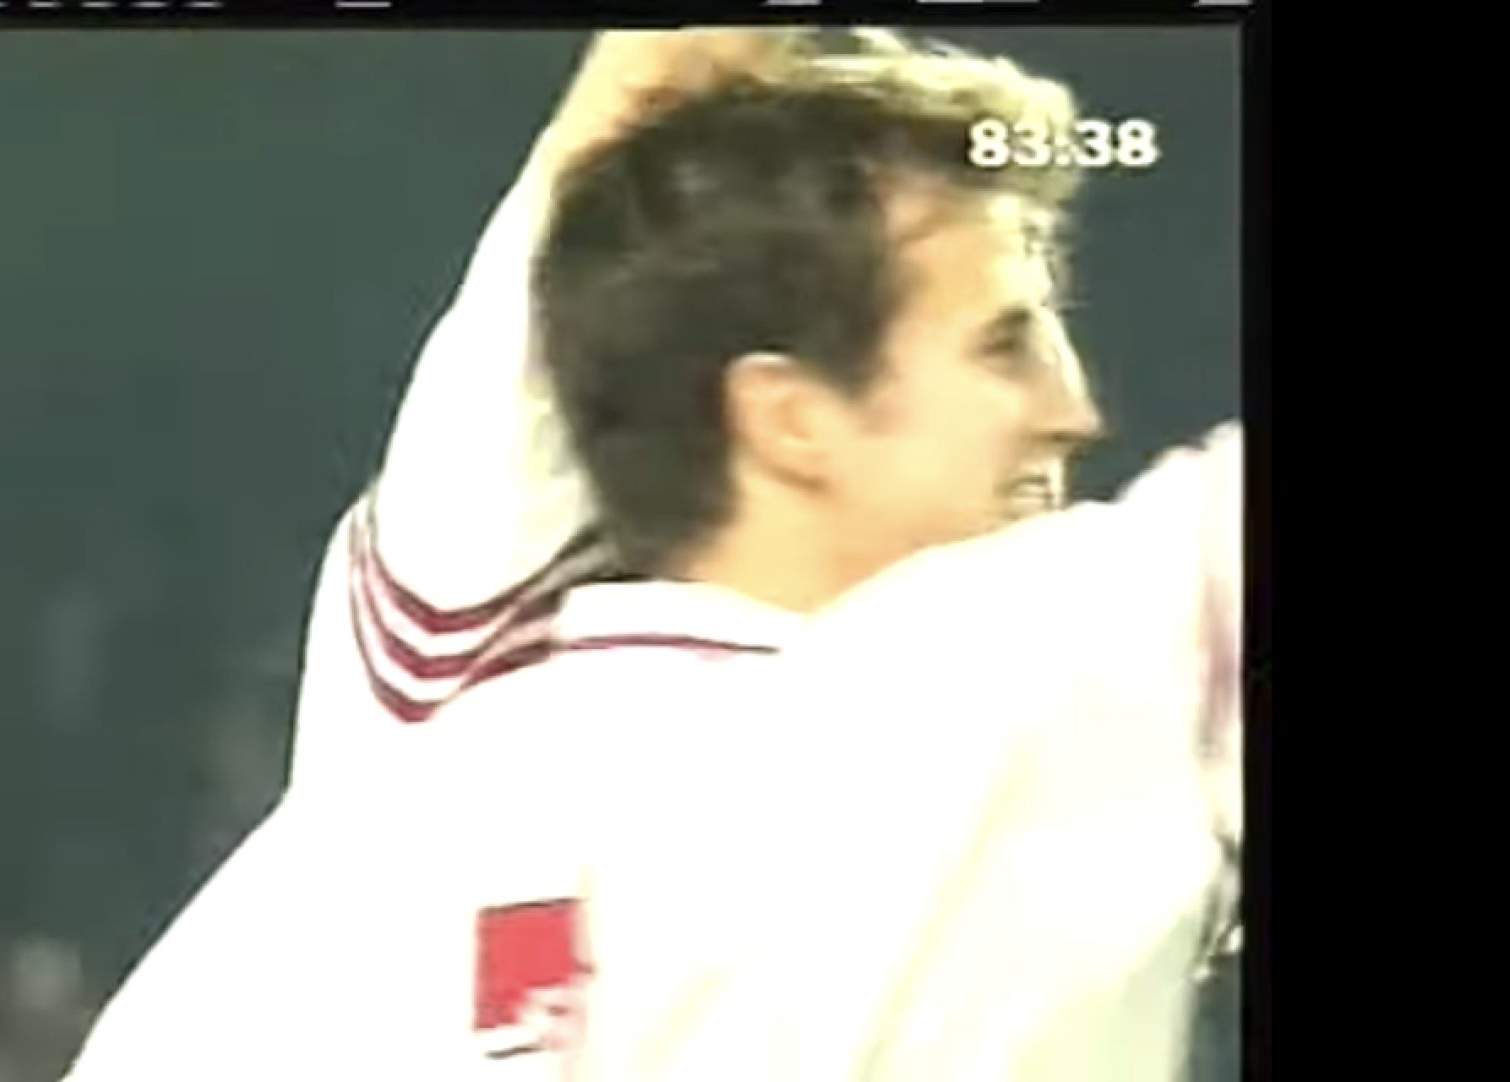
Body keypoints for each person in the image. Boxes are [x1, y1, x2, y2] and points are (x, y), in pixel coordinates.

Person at [63, 28, 1242, 1082]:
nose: (1074, 411)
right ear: (790, 416)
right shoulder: (990, 734)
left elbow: (637, 112)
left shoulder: (427, 730)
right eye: (1004, 344)